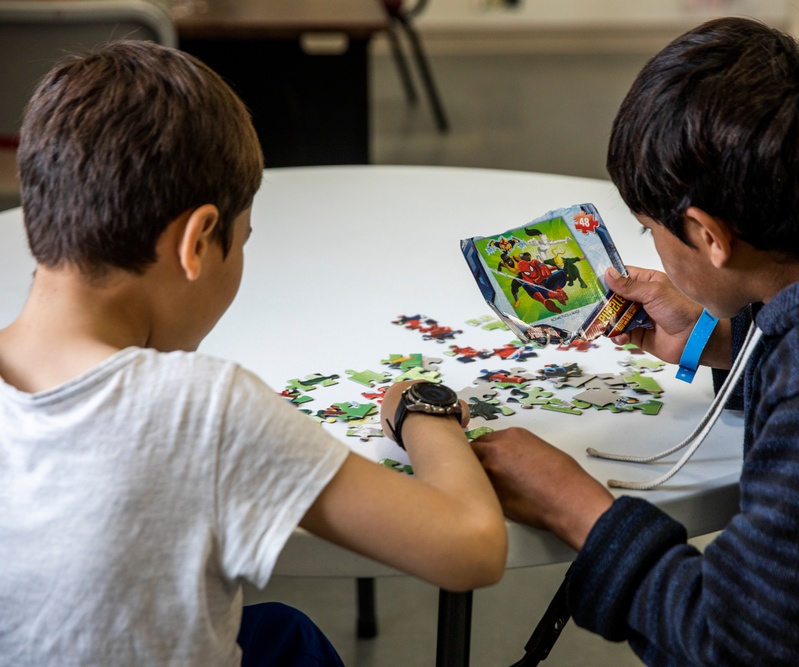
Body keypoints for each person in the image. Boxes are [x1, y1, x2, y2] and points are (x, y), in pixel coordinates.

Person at [471, 16, 799, 666]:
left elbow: (735, 644)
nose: (654, 248)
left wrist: (574, 506)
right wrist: (713, 338)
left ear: (709, 235)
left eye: (649, 232)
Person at [0, 41, 506, 666]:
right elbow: (472, 547)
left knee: (282, 634)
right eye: (241, 242)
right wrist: (422, 413)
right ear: (197, 242)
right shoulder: (203, 410)